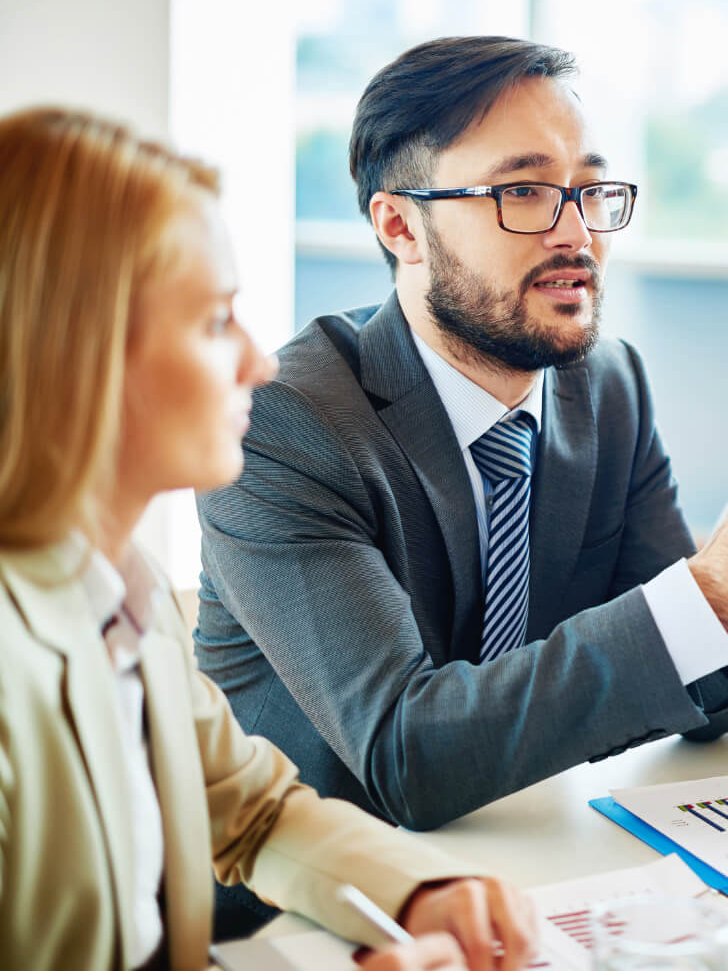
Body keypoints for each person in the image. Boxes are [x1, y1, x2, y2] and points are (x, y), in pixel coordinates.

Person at [194, 36, 728, 835]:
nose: (576, 234)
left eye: (589, 192)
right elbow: (405, 754)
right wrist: (709, 596)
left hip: (537, 853)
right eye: (522, 192)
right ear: (401, 228)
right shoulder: (283, 423)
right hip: (301, 908)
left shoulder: (607, 386)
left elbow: (685, 681)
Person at [0, 108, 538, 971]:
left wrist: (423, 890)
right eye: (216, 322)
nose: (262, 360)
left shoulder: (111, 587)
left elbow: (252, 813)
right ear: (79, 349)